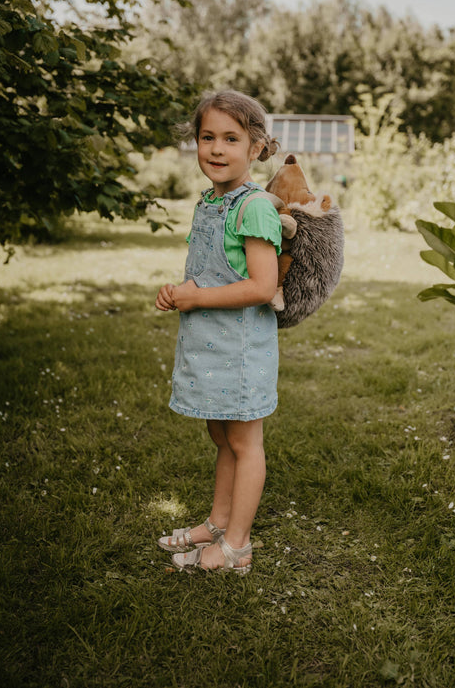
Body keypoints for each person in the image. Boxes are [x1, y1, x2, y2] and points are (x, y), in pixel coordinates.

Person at [155, 90, 282, 574]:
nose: (216, 149)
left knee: (245, 443)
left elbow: (262, 285)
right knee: (221, 436)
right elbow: (212, 271)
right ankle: (218, 522)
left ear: (256, 148)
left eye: (232, 138)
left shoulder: (254, 208)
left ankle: (237, 548)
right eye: (208, 137)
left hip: (242, 350)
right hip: (210, 346)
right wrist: (178, 291)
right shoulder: (209, 202)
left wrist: (198, 297)